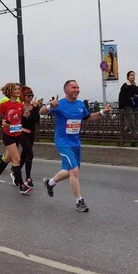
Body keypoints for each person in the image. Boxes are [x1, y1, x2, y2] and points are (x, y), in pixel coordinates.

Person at [41, 80, 112, 211]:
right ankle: (79, 201)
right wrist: (50, 106)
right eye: (74, 87)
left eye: (78, 87)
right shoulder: (59, 104)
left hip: (75, 142)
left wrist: (103, 113)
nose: (77, 89)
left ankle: (50, 183)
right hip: (63, 142)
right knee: (74, 171)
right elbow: (42, 112)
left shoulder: (80, 104)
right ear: (66, 90)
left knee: (69, 171)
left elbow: (88, 117)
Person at [0, 83, 33, 195]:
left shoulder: (20, 105)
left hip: (17, 134)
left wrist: (26, 114)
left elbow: (21, 118)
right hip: (8, 135)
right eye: (16, 89)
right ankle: (22, 185)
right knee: (17, 159)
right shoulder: (5, 104)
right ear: (10, 92)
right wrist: (1, 122)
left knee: (7, 158)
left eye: (19, 89)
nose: (19, 91)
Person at [19, 86, 41, 187]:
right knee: (30, 155)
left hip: (31, 134)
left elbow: (37, 120)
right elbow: (25, 120)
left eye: (31, 95)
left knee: (24, 156)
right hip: (22, 133)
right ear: (23, 96)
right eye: (28, 95)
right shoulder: (21, 106)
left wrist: (36, 108)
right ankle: (28, 177)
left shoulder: (34, 106)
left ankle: (16, 171)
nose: (30, 97)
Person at [118, 71, 138, 146]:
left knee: (136, 124)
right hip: (127, 106)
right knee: (131, 122)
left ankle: (133, 141)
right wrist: (121, 107)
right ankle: (123, 134)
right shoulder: (125, 86)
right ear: (128, 77)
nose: (133, 76)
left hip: (135, 106)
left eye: (134, 75)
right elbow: (121, 97)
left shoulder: (136, 86)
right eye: (131, 75)